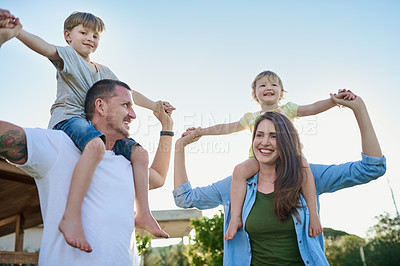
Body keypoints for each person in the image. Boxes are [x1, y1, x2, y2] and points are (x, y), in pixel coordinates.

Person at [5, 9, 175, 251]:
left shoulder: (104, 71)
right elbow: (45, 48)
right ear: (68, 36)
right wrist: (19, 33)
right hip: (69, 120)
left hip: (95, 128)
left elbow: (129, 93)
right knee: (95, 145)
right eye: (83, 32)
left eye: (96, 36)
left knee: (140, 154)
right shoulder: (68, 56)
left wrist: (155, 106)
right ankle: (70, 217)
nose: (90, 39)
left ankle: (144, 214)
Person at [174, 92, 386, 265]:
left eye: (274, 136)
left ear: (287, 140)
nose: (264, 143)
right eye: (259, 135)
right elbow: (185, 199)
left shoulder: (306, 175)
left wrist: (359, 109)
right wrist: (179, 148)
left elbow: (371, 168)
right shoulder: (237, 183)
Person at [0, 79, 174, 265]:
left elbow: (158, 177)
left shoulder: (127, 162)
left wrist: (167, 128)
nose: (133, 115)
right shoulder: (59, 146)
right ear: (100, 106)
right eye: (126, 105)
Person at [185, 70, 356, 241]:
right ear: (255, 94)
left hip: (288, 158)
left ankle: (314, 215)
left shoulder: (288, 109)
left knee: (304, 165)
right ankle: (236, 217)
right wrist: (201, 131)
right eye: (263, 85)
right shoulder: (251, 118)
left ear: (281, 93)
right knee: (239, 170)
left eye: (274, 84)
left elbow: (312, 108)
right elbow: (226, 127)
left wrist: (334, 101)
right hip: (260, 160)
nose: (269, 87)